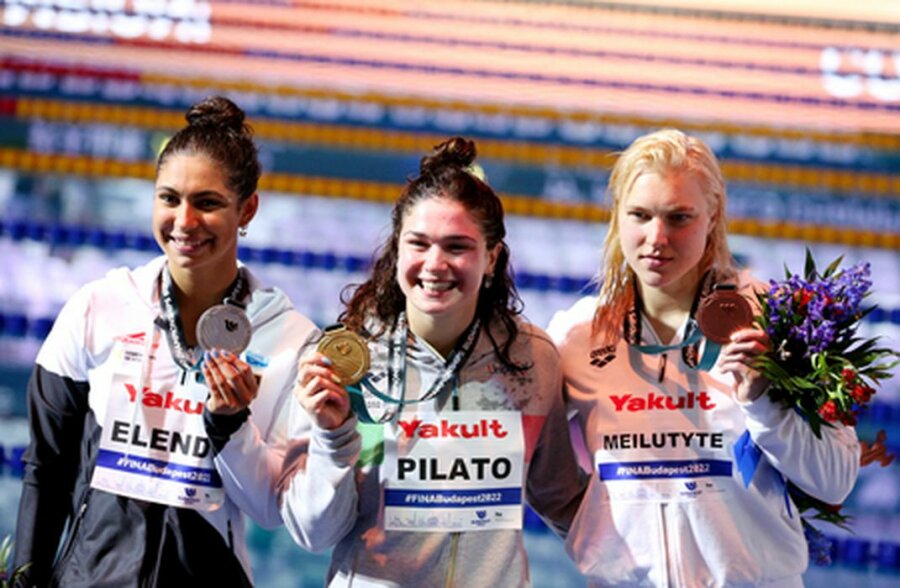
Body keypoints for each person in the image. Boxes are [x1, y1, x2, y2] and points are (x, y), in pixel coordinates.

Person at [13, 96, 316, 586]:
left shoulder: (289, 340)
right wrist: (23, 579)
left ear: (247, 209)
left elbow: (271, 510)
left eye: (207, 203)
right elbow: (47, 466)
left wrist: (230, 425)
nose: (184, 221)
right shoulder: (97, 308)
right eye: (169, 198)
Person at [546, 128, 860, 587]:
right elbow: (528, 454)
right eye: (640, 215)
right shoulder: (577, 335)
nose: (657, 238)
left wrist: (763, 401)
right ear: (618, 215)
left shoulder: (778, 324)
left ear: (713, 216)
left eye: (679, 218)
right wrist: (589, 534)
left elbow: (834, 480)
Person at [279, 137, 586, 586]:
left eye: (457, 246)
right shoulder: (345, 366)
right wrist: (332, 436)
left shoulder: (530, 359)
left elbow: (561, 498)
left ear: (491, 257)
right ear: (398, 250)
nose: (435, 264)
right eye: (419, 244)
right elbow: (313, 533)